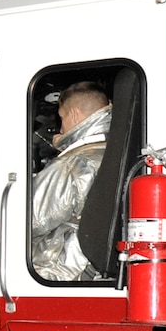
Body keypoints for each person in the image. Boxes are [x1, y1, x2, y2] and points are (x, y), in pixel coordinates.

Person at [30, 82, 111, 280]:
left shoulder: (72, 164)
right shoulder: (110, 151)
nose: (61, 126)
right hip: (88, 266)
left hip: (56, 269)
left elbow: (29, 219)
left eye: (62, 117)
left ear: (74, 114)